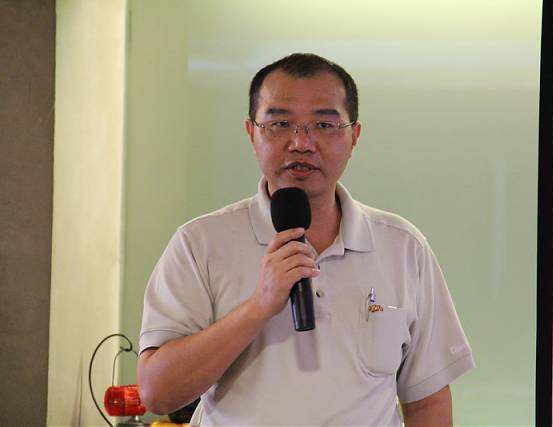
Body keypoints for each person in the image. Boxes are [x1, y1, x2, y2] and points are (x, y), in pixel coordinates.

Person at [137, 53, 475, 426]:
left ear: (354, 137)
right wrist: (258, 307)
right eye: (280, 123)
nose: (301, 143)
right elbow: (158, 392)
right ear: (252, 133)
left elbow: (428, 401)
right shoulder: (199, 243)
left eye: (324, 124)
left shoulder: (402, 247)